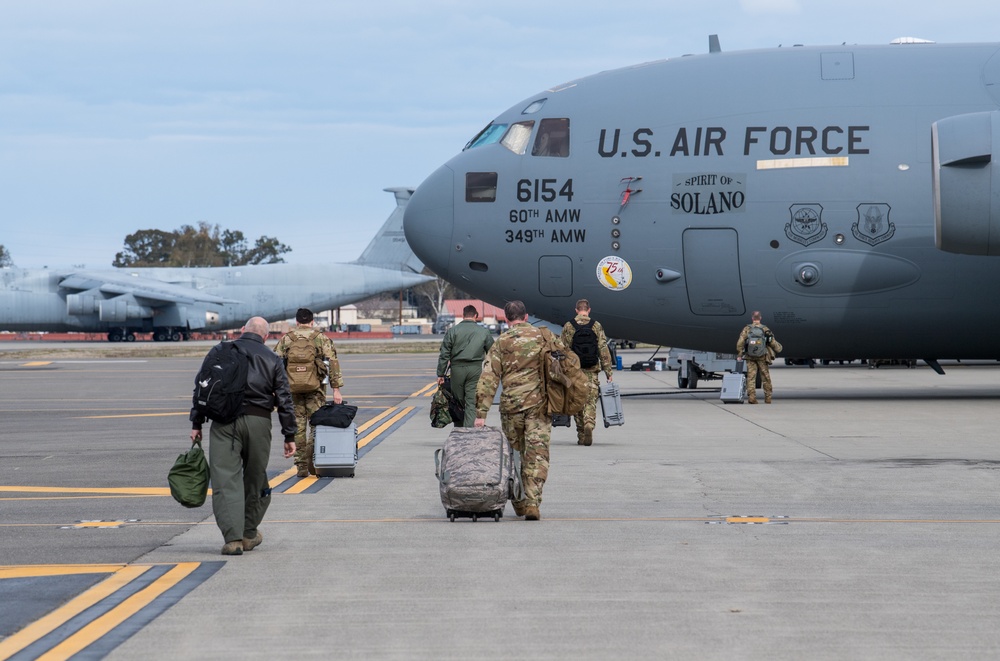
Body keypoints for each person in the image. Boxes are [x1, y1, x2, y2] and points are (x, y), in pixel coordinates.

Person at [189, 317, 298, 556]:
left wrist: (197, 422)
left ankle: (233, 539)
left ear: (242, 331)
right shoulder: (272, 359)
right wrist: (289, 434)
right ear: (266, 337)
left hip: (223, 422)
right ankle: (249, 533)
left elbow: (202, 386)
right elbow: (284, 399)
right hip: (258, 422)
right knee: (256, 478)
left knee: (225, 480)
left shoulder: (220, 350)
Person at [474, 300, 551, 521]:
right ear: (526, 317)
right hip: (539, 406)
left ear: (507, 320)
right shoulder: (543, 337)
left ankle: (519, 503)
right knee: (537, 455)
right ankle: (534, 502)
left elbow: (489, 378)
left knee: (514, 455)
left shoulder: (501, 342)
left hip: (511, 408)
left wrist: (481, 414)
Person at [274, 308, 344, 477]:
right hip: (316, 389)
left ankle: (301, 467)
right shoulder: (320, 338)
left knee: (297, 427)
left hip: (292, 390)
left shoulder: (287, 339)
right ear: (312, 322)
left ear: (296, 322)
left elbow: (275, 364)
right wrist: (336, 389)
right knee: (316, 425)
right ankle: (312, 456)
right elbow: (332, 363)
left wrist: (275, 390)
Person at [560, 299, 613, 446]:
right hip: (592, 370)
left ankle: (582, 434)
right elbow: (603, 349)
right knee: (590, 400)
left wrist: (562, 372)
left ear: (576, 310)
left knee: (577, 402)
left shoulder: (569, 326)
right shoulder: (596, 325)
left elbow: (563, 350)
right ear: (589, 310)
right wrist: (608, 372)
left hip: (574, 371)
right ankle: (589, 422)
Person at [436, 304, 494, 427]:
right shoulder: (484, 332)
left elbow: (444, 354)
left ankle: (459, 428)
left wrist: (440, 374)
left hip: (457, 369)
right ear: (476, 316)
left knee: (457, 400)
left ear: (463, 315)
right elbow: (492, 353)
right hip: (475, 369)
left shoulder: (452, 331)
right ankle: (468, 430)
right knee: (471, 401)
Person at [736, 310, 783, 404]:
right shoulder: (765, 329)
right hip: (762, 356)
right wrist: (779, 349)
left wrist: (740, 354)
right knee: (765, 377)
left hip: (750, 356)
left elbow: (740, 342)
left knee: (751, 377)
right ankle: (768, 398)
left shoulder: (747, 328)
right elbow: (772, 341)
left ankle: (752, 398)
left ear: (752, 318)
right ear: (760, 318)